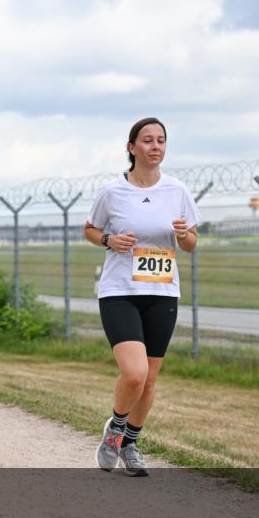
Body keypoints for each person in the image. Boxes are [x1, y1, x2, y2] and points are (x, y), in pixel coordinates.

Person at [85, 117, 201, 477]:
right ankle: (115, 430)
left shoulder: (177, 191)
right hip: (120, 291)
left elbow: (191, 243)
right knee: (134, 374)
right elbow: (90, 229)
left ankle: (130, 444)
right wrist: (109, 240)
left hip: (162, 293)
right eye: (148, 140)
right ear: (132, 148)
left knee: (149, 380)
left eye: (161, 140)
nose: (156, 146)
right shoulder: (112, 191)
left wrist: (183, 235)